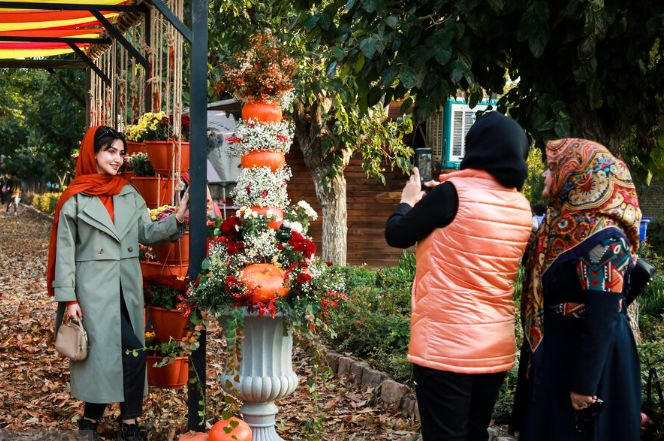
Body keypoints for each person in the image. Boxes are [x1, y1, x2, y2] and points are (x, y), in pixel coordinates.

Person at [385, 111, 533, 441]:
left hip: (446, 348)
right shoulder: (522, 206)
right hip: (495, 347)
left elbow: (397, 235)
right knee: (474, 433)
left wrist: (407, 202)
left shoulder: (450, 195)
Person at [47, 126, 189, 441]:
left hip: (126, 288)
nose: (118, 158)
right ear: (93, 153)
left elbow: (146, 232)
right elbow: (65, 254)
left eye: (121, 152)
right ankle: (127, 424)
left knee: (127, 351)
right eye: (110, 150)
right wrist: (69, 298)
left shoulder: (128, 193)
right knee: (109, 353)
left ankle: (97, 421)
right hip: (92, 291)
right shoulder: (74, 198)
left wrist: (177, 219)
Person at [511, 138, 642, 441]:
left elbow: (602, 317)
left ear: (579, 177)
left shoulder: (604, 239)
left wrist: (584, 385)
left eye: (554, 168)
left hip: (589, 361)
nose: (544, 174)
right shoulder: (559, 228)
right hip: (559, 351)